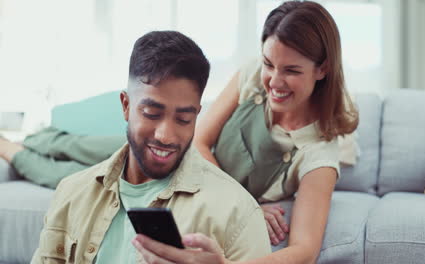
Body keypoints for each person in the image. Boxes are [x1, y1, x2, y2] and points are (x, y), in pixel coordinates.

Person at [132, 1, 359, 264]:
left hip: (194, 183)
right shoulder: (254, 74)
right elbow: (198, 141)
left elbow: (304, 251)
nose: (274, 81)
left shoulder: (319, 153)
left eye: (292, 71)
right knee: (92, 151)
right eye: (269, 63)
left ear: (323, 69)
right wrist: (245, 206)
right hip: (180, 159)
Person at [30, 30, 271, 263]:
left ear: (197, 115)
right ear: (125, 105)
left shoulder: (237, 212)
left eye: (183, 119)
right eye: (151, 113)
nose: (165, 136)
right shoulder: (71, 192)